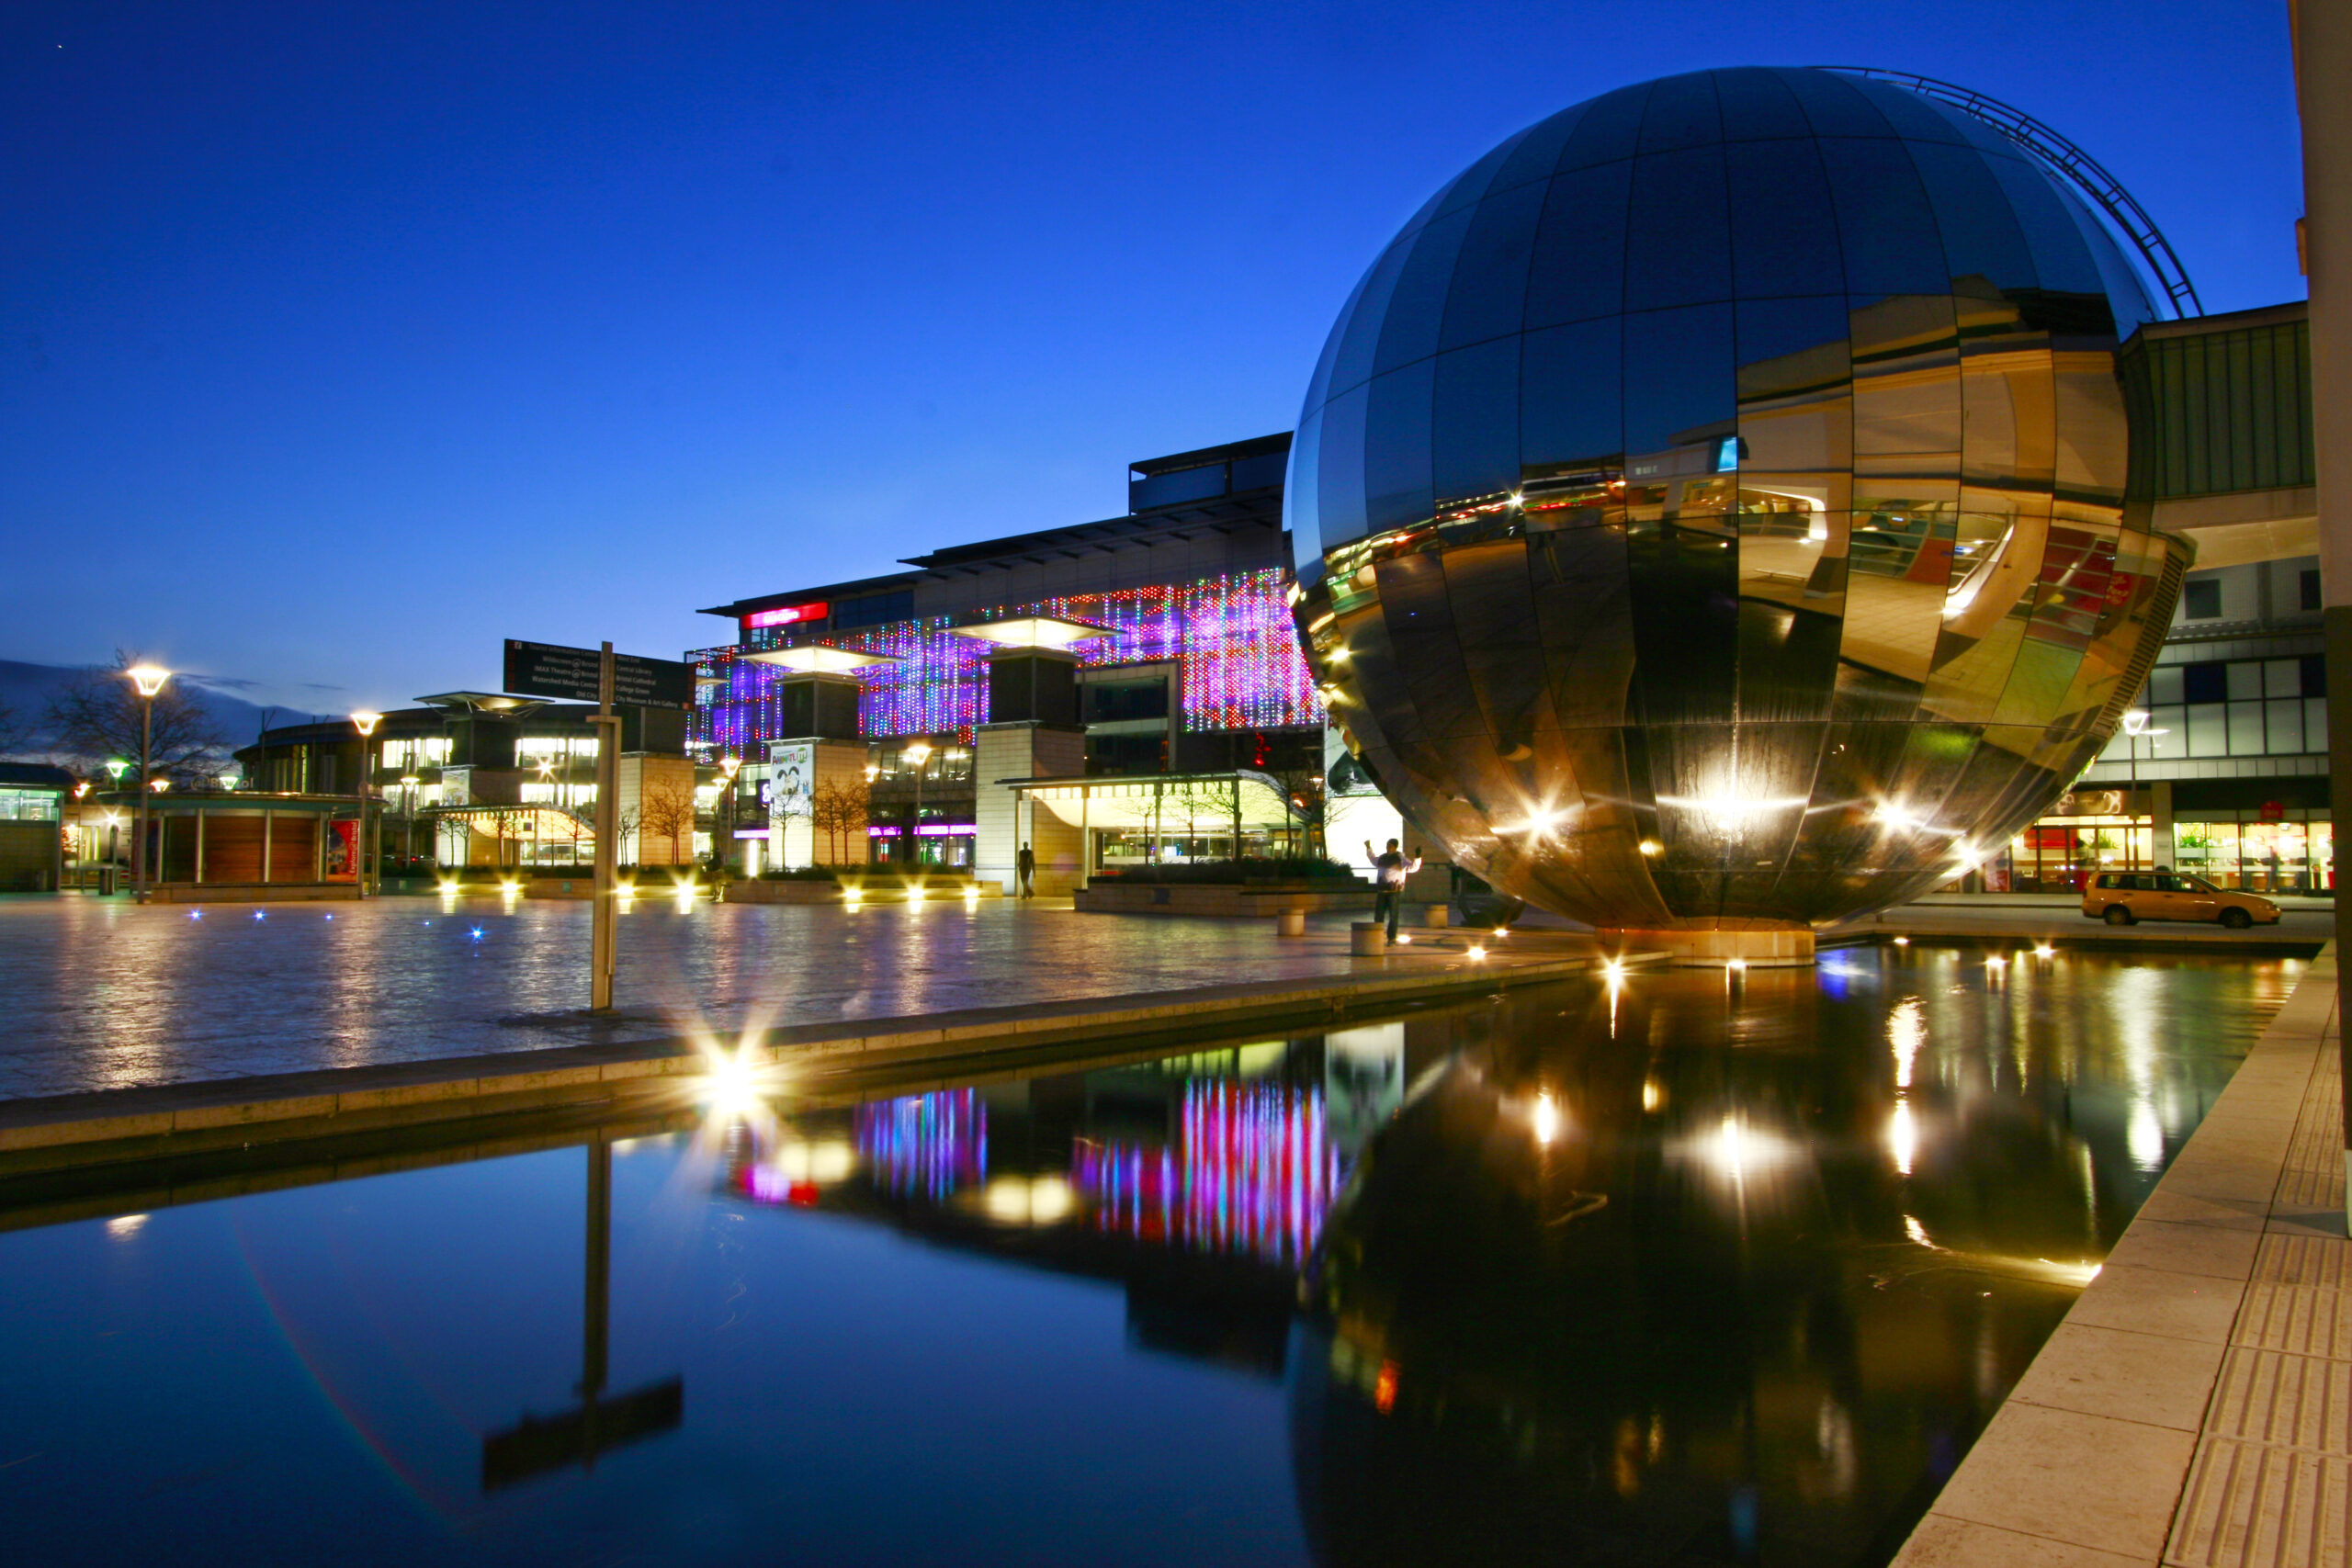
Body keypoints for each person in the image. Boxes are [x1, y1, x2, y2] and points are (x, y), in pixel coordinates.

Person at [1365, 837, 1422, 942]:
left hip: (1394, 892)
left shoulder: (1401, 859)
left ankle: (1391, 937)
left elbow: (1413, 867)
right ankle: (1377, 935)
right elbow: (1373, 859)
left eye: (1390, 845)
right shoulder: (1382, 858)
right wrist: (1369, 848)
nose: (1388, 847)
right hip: (1382, 891)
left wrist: (1418, 857)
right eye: (1387, 845)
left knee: (1393, 915)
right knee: (1379, 915)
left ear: (1395, 847)